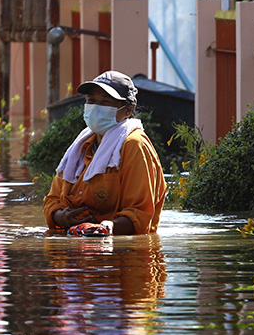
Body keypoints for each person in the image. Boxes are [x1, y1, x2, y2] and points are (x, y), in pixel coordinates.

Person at [43, 71, 166, 235]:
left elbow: (140, 213)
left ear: (127, 111)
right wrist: (60, 217)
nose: (96, 107)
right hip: (76, 240)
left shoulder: (134, 145)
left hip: (115, 246)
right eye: (91, 101)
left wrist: (107, 228)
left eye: (105, 102)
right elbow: (52, 200)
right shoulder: (81, 146)